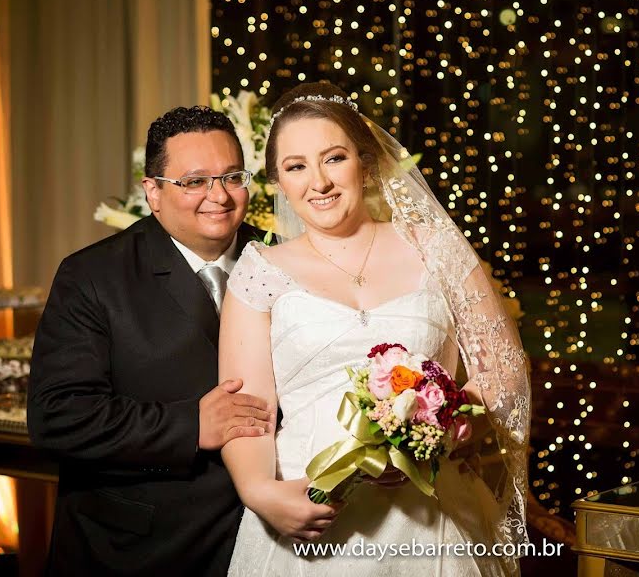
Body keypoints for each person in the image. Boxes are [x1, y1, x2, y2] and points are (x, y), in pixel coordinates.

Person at [219, 83, 531, 576]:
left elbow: (503, 367)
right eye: (296, 166)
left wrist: (437, 432)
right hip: (311, 512)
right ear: (278, 180)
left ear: (364, 161)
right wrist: (261, 493)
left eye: (334, 158)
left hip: (431, 516)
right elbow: (248, 409)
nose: (317, 181)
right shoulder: (259, 270)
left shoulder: (435, 248)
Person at [28, 106, 276, 576]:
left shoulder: (283, 259)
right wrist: (190, 425)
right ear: (153, 192)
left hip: (265, 540)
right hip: (136, 551)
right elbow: (57, 417)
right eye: (194, 181)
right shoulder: (92, 276)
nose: (218, 196)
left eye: (231, 177)